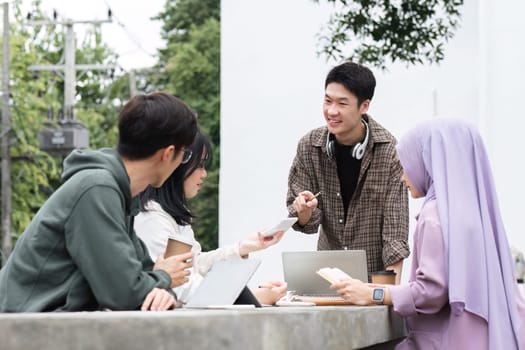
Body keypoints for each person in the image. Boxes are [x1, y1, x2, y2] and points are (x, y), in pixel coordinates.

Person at [330, 119, 525, 349]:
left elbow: (431, 292)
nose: (403, 176)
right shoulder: (477, 214)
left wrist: (374, 294)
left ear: (428, 162)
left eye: (406, 164)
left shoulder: (435, 216)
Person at [0, 92, 199, 312]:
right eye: (185, 154)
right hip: (21, 330)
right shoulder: (96, 189)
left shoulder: (118, 194)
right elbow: (124, 293)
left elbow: (144, 281)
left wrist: (160, 284)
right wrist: (164, 277)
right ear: (168, 153)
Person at [287, 61, 409, 281]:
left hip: (372, 285)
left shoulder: (391, 152)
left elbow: (395, 234)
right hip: (326, 282)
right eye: (327, 101)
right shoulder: (309, 146)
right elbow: (306, 223)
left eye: (342, 103)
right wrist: (304, 212)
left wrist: (388, 296)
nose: (331, 111)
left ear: (364, 106)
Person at [135, 131, 287, 305]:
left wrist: (241, 248)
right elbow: (182, 285)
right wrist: (252, 297)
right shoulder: (152, 219)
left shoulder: (172, 216)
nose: (204, 174)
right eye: (199, 165)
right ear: (176, 163)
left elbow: (194, 264)